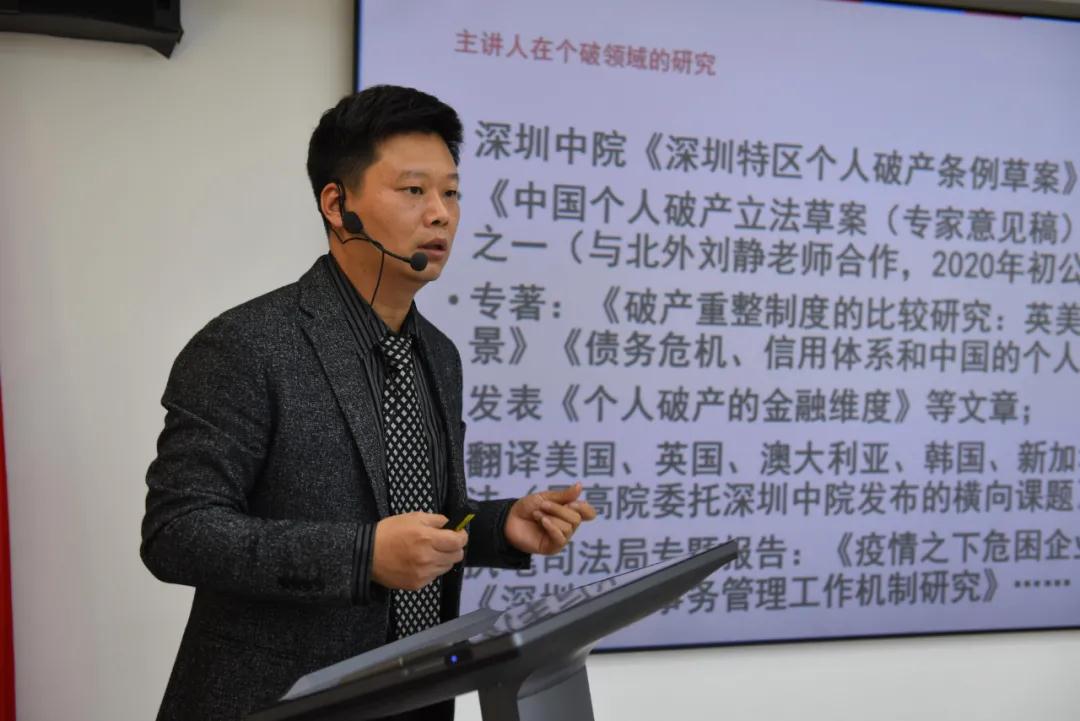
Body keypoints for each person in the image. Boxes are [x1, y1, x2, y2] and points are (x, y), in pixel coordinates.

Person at [141, 85, 596, 721]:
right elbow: (177, 533)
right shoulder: (245, 345)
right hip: (277, 702)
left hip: (417, 696)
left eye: (451, 193)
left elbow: (418, 518)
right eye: (414, 190)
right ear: (338, 205)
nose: (440, 215)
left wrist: (498, 528)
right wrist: (361, 557)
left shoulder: (438, 354)